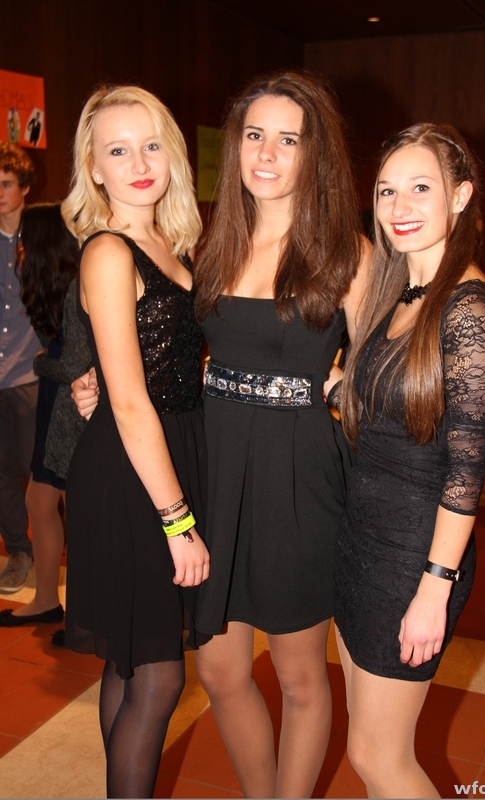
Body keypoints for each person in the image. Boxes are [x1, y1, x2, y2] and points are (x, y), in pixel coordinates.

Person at [192, 69, 368, 798]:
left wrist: (346, 382)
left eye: (287, 140)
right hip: (217, 468)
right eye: (254, 135)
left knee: (299, 675)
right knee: (218, 668)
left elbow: (389, 368)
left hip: (299, 475)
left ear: (314, 154)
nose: (266, 154)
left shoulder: (347, 253)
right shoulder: (212, 242)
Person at [333, 123, 485, 798]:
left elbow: (465, 475)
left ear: (459, 196)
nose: (399, 206)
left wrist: (434, 589)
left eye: (420, 188)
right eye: (386, 191)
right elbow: (391, 405)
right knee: (366, 750)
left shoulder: (467, 308)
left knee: (380, 758)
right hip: (362, 540)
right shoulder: (400, 293)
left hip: (412, 558)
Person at [61, 85, 210, 798]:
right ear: (93, 168)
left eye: (151, 145)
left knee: (129, 663)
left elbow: (170, 362)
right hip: (133, 477)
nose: (140, 164)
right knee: (158, 675)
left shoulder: (174, 245)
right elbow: (127, 401)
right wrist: (178, 521)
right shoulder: (108, 251)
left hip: (165, 453)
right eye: (118, 151)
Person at [0, 202, 90, 628]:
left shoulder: (75, 287)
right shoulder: (55, 285)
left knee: (70, 506)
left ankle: (82, 613)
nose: (18, 249)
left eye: (24, 242)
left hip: (71, 407)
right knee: (41, 501)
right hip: (58, 403)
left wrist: (39, 363)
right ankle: (48, 601)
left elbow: (72, 363)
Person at [0, 141, 39, 594]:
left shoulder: (44, 237)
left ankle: (56, 552)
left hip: (31, 375)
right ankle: (18, 551)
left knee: (41, 477)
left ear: (25, 188)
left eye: (6, 184)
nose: (0, 193)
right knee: (3, 474)